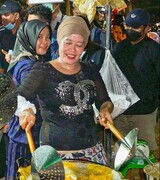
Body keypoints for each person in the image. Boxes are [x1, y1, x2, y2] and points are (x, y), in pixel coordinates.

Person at [15, 16, 114, 165]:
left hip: (91, 148)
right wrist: (26, 110)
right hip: (56, 151)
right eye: (68, 42)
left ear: (85, 47)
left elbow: (105, 101)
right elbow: (18, 97)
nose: (72, 50)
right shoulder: (43, 70)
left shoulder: (90, 69)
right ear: (59, 41)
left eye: (79, 45)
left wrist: (105, 109)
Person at [6, 20, 51, 179]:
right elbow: (23, 95)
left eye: (48, 37)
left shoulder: (25, 58)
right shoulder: (28, 65)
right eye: (39, 37)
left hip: (19, 132)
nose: (45, 42)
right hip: (26, 135)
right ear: (29, 37)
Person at [112, 8, 160, 159]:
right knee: (122, 156)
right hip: (121, 113)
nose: (130, 30)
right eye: (128, 25)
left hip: (144, 113)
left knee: (147, 155)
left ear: (146, 28)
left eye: (135, 27)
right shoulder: (119, 48)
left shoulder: (154, 49)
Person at [0, 0, 23, 70]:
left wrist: (15, 59)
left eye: (6, 14)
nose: (2, 17)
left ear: (16, 15)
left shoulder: (26, 32)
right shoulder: (0, 32)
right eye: (1, 14)